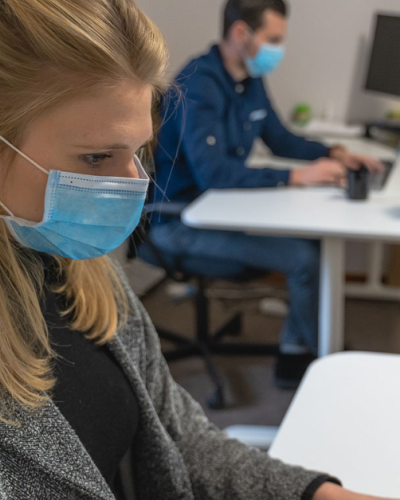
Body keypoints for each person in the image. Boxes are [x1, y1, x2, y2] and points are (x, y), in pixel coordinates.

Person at [0, 1, 400, 499]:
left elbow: (177, 438)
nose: (134, 185)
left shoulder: (80, 269)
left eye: (139, 151)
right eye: (98, 159)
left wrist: (313, 494)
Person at [152, 0, 382, 388]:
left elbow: (278, 138)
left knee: (317, 240)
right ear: (241, 34)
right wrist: (298, 177)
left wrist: (332, 153)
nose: (278, 49)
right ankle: (304, 359)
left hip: (222, 208)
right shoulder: (199, 84)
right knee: (303, 257)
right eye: (273, 39)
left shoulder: (247, 76)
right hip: (177, 218)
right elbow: (214, 173)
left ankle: (298, 347)